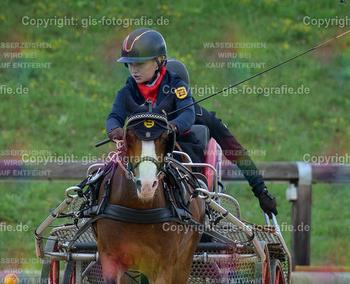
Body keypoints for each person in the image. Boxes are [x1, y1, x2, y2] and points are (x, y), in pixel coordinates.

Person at [165, 58, 278, 216]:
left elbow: (237, 152)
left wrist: (261, 191)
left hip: (188, 187)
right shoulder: (145, 116)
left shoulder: (202, 117)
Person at [106, 28, 196, 150]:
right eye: (130, 64)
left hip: (174, 143)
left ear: (158, 61)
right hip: (139, 146)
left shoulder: (177, 85)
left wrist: (173, 126)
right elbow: (115, 116)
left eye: (140, 64)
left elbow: (188, 114)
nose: (134, 70)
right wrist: (114, 129)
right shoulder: (127, 90)